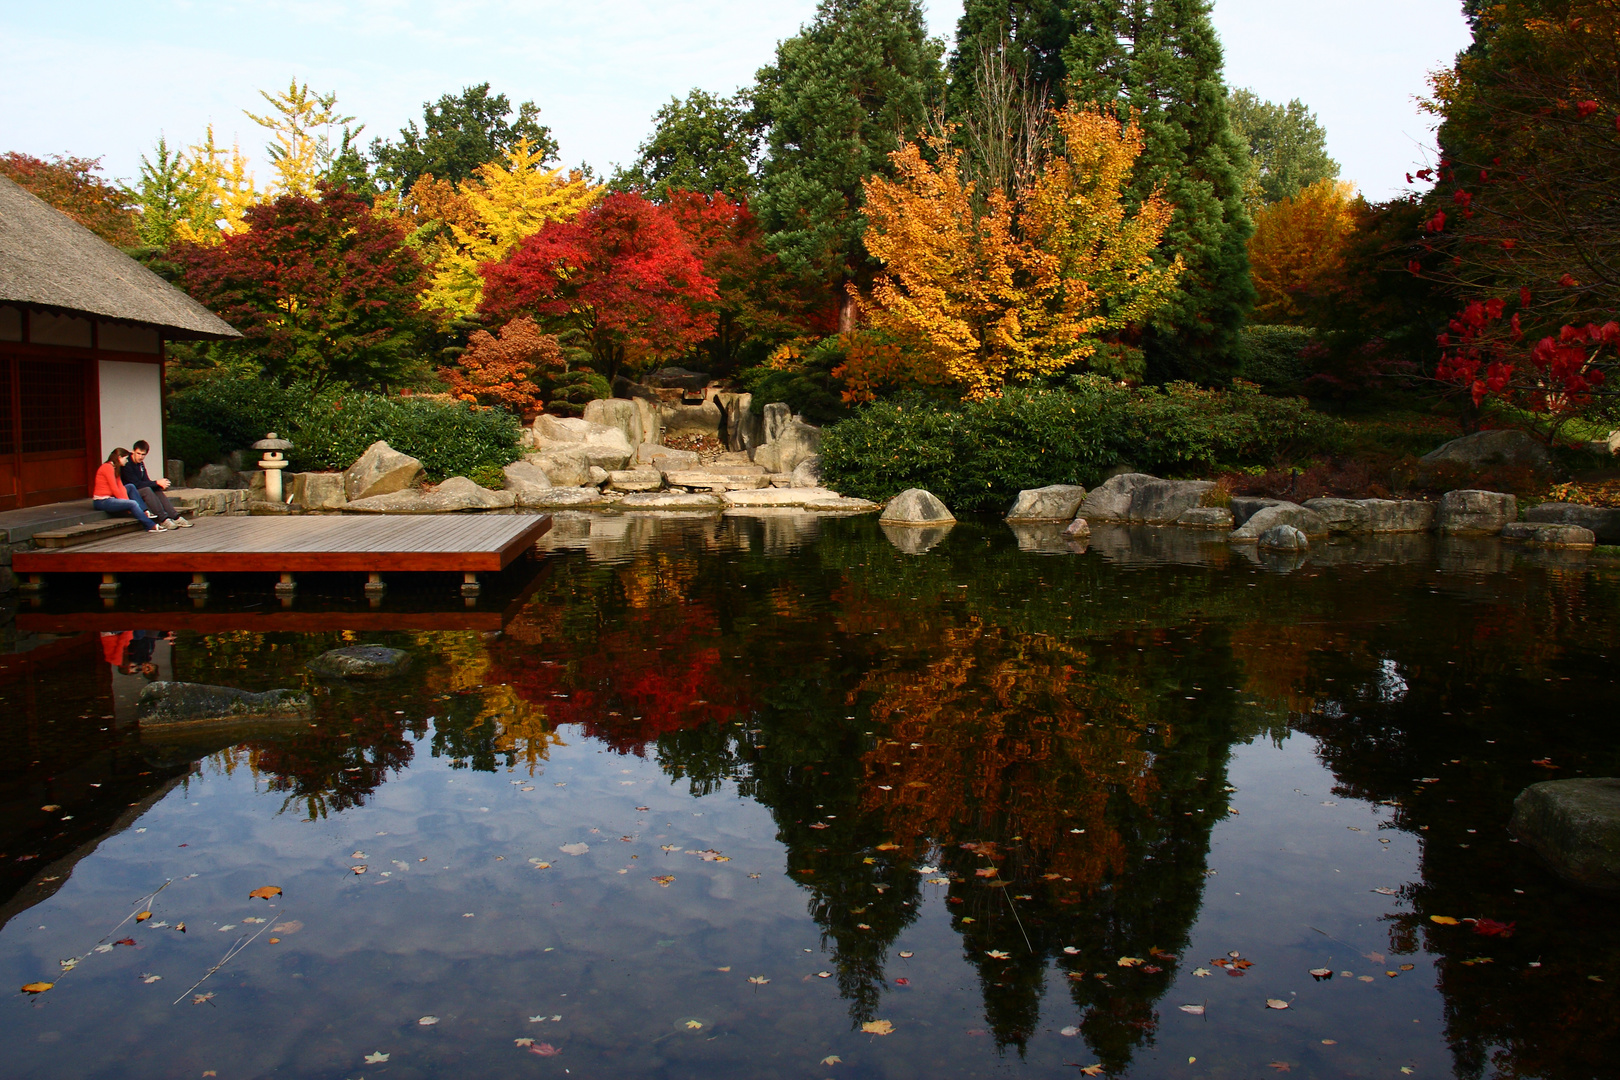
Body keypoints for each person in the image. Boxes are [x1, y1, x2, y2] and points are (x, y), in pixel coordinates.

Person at [121, 439, 192, 528]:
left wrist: (157, 484)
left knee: (156, 488)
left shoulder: (140, 464)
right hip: (128, 492)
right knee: (147, 489)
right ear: (133, 451)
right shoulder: (127, 464)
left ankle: (175, 517)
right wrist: (157, 482)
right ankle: (163, 519)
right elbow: (135, 484)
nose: (140, 457)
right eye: (138, 453)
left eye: (143, 455)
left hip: (138, 489)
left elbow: (146, 480)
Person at [92, 448, 160, 531]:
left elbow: (120, 486)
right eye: (126, 459)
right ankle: (150, 526)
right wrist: (127, 504)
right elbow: (114, 488)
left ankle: (145, 511)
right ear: (119, 457)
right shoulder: (108, 467)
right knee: (132, 503)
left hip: (111, 498)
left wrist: (125, 501)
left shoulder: (115, 468)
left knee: (130, 487)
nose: (127, 461)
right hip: (102, 501)